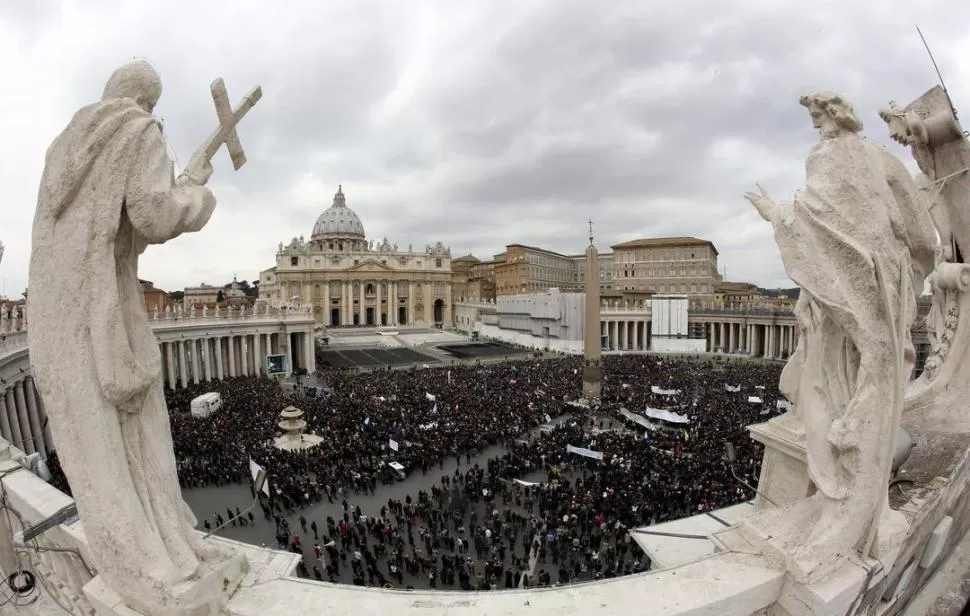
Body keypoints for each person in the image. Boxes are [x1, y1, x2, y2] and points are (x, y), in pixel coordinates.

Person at [28, 60, 222, 611]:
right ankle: (158, 555)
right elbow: (154, 214)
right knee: (140, 435)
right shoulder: (138, 130)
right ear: (149, 102)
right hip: (105, 306)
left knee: (98, 444)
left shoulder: (62, 147)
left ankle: (137, 555)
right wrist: (196, 188)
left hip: (57, 314)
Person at [745, 91, 936, 582]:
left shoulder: (826, 159)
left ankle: (842, 513)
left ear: (834, 117)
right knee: (866, 387)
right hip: (882, 298)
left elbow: (812, 228)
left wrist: (774, 213)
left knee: (831, 390)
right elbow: (921, 239)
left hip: (844, 303)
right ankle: (856, 509)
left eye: (816, 117)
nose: (815, 127)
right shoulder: (885, 160)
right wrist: (904, 280)